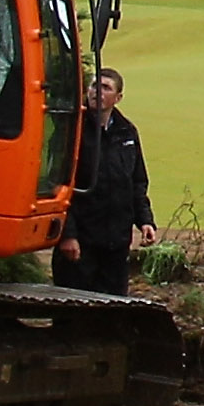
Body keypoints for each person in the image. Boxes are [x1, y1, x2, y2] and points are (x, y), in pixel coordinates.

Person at [54, 65, 155, 292]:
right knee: (74, 310)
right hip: (81, 240)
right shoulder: (72, 128)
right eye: (94, 85)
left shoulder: (127, 132)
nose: (97, 92)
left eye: (105, 88)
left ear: (118, 97)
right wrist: (67, 235)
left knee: (112, 309)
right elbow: (58, 184)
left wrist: (145, 221)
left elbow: (137, 182)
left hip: (116, 243)